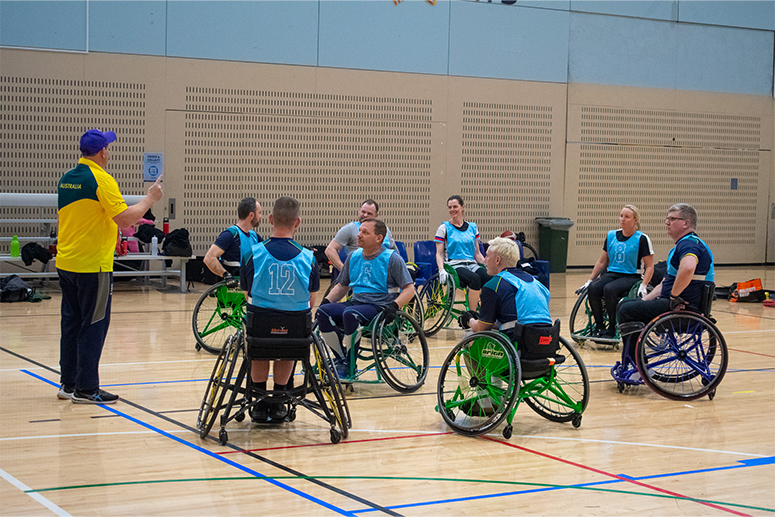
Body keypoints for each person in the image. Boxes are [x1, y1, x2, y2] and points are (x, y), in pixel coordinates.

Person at [56, 129, 163, 404]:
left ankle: (68, 383)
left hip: (66, 262)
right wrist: (149, 199)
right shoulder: (102, 179)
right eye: (109, 148)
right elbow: (125, 219)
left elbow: (91, 216)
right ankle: (86, 388)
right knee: (94, 324)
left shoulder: (67, 179)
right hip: (93, 265)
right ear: (103, 152)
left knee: (71, 323)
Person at [240, 197, 319, 423]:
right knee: (288, 340)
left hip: (261, 328)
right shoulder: (309, 257)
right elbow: (311, 301)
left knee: (260, 340)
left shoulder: (252, 254)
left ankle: (258, 402)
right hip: (294, 331)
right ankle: (279, 401)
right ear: (298, 222)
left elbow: (248, 295)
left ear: (271, 219)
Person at [316, 219, 415, 378]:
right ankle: (343, 360)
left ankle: (350, 364)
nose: (358, 235)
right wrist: (325, 302)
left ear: (379, 238)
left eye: (365, 232)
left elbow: (410, 289)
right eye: (359, 231)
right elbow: (342, 286)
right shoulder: (353, 257)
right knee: (322, 312)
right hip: (356, 303)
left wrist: (394, 306)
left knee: (350, 314)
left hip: (379, 306)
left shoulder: (392, 258)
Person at [616, 203, 714, 360]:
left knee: (626, 311)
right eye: (667, 219)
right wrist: (644, 300)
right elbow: (664, 284)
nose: (667, 222)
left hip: (683, 308)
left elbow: (688, 268)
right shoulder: (681, 245)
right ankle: (634, 360)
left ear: (686, 223)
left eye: (672, 219)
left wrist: (674, 297)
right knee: (626, 304)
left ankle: (634, 362)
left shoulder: (690, 244)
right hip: (672, 302)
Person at [576, 205, 655, 339]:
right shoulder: (611, 235)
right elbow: (602, 261)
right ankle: (599, 326)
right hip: (612, 273)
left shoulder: (642, 239)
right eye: (621, 216)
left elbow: (650, 266)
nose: (622, 219)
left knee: (610, 289)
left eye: (627, 217)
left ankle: (613, 327)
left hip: (631, 276)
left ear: (635, 220)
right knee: (594, 288)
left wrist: (644, 285)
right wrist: (590, 280)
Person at [461, 237, 552, 335]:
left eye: (487, 256)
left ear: (497, 260)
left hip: (519, 339)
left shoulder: (493, 285)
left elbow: (482, 328)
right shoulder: (538, 284)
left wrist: (469, 320)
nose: (485, 260)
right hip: (548, 337)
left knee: (469, 335)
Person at [435, 195, 490, 310]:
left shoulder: (473, 227)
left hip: (471, 264)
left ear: (462, 207)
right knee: (474, 279)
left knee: (490, 277)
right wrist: (441, 269)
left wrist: (487, 265)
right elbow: (439, 254)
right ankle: (472, 315)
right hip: (454, 265)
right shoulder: (444, 228)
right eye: (449, 207)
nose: (452, 210)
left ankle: (488, 312)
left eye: (455, 206)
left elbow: (477, 253)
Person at [324, 199, 396, 285]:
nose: (365, 215)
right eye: (363, 212)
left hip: (385, 273)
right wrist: (345, 271)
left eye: (369, 213)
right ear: (359, 211)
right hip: (362, 275)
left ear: (376, 215)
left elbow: (394, 251)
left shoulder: (385, 229)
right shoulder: (350, 229)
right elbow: (329, 250)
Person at [203, 197, 262, 287]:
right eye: (259, 213)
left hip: (248, 288)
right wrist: (226, 275)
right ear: (251, 215)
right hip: (231, 291)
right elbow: (209, 258)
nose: (261, 216)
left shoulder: (255, 237)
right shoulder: (229, 235)